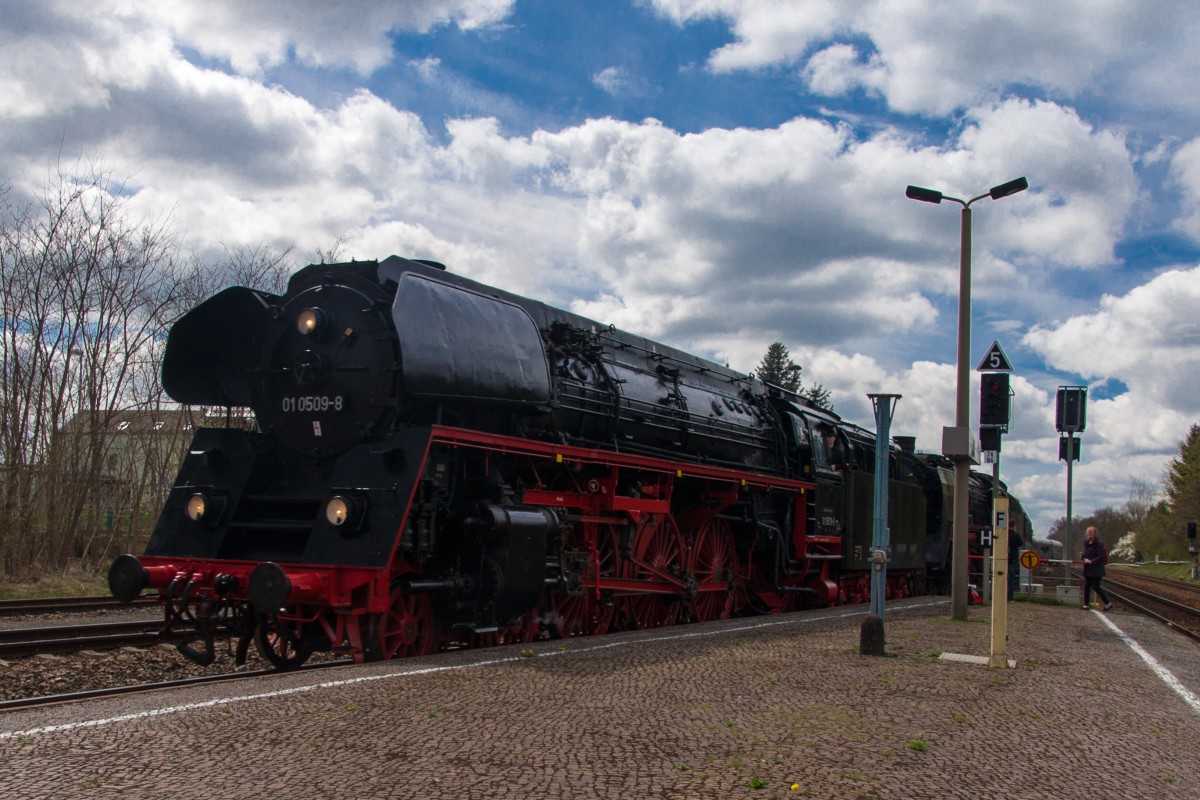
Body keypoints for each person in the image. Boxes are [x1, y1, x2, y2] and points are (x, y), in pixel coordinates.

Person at [1080, 526, 1113, 611]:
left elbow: (1101, 556)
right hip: (1088, 568)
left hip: (1097, 569)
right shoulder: (1086, 544)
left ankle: (1107, 603)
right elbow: (1085, 554)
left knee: (1096, 586)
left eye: (1091, 532)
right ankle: (1086, 605)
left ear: (1095, 534)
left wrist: (1092, 561)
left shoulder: (1099, 544)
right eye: (1088, 532)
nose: (1089, 534)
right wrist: (1083, 557)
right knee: (1087, 586)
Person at [1007, 528, 1023, 600]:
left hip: (1002, 558)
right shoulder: (1016, 535)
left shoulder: (1004, 535)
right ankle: (1010, 597)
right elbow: (1020, 543)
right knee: (1011, 578)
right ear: (1014, 527)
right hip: (1013, 558)